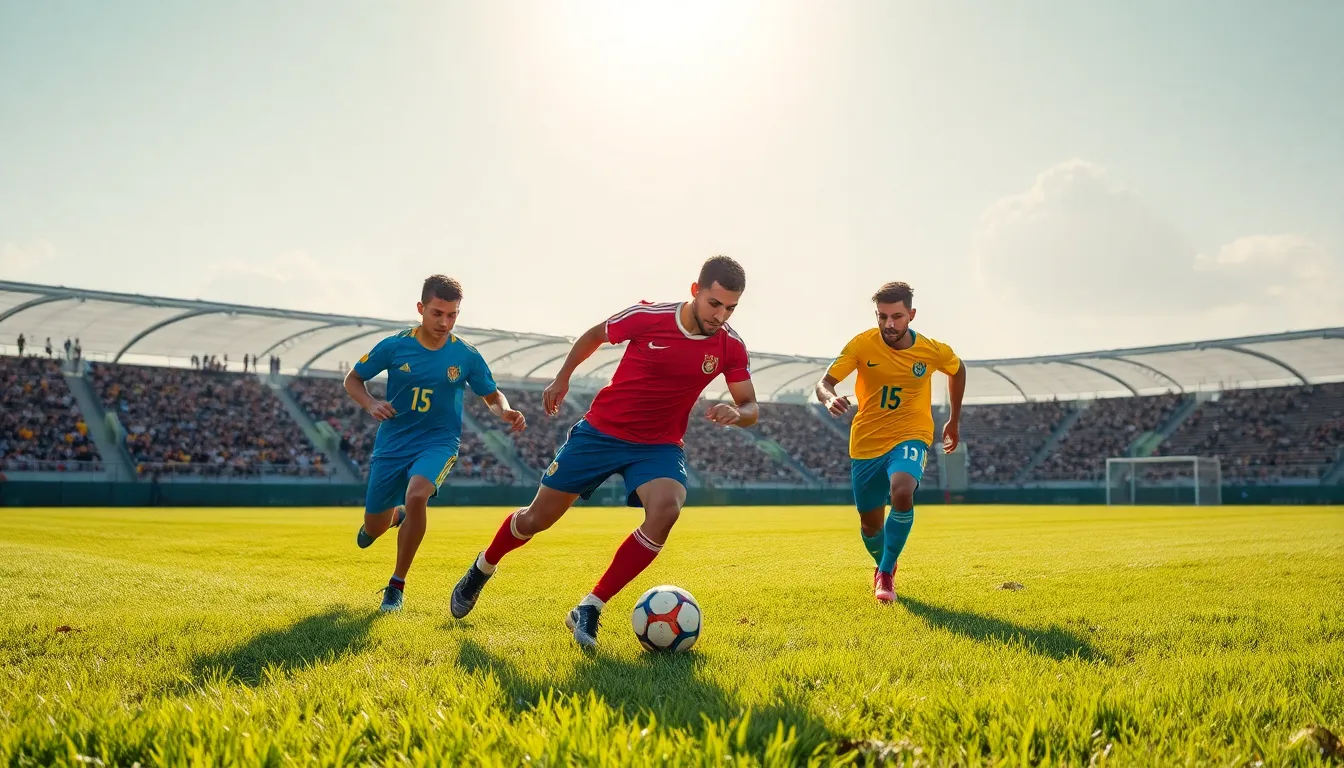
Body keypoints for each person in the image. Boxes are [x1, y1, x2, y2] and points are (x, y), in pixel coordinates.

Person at [448, 255, 758, 648]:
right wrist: (562, 378)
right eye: (715, 303)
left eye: (731, 307)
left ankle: (590, 606)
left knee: (667, 509)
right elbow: (595, 335)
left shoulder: (730, 345)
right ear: (696, 291)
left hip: (658, 444)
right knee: (535, 519)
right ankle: (483, 567)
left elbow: (751, 406)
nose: (721, 315)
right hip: (601, 433)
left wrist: (738, 412)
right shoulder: (650, 316)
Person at [344, 274, 526, 612]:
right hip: (393, 444)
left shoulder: (466, 355)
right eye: (437, 313)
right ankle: (393, 517)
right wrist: (370, 403)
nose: (445, 322)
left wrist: (505, 410)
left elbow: (492, 394)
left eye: (452, 314)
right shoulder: (394, 346)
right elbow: (353, 379)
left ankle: (396, 586)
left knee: (417, 495)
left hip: (439, 442)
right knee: (373, 528)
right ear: (421, 309)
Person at [814, 281, 966, 604]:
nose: (889, 324)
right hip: (867, 443)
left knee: (901, 489)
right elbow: (824, 383)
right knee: (870, 527)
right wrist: (828, 399)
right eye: (882, 316)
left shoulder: (931, 350)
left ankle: (884, 573)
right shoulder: (862, 344)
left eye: (897, 316)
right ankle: (886, 559)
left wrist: (954, 418)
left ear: (911, 314)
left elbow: (957, 369)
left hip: (912, 434)